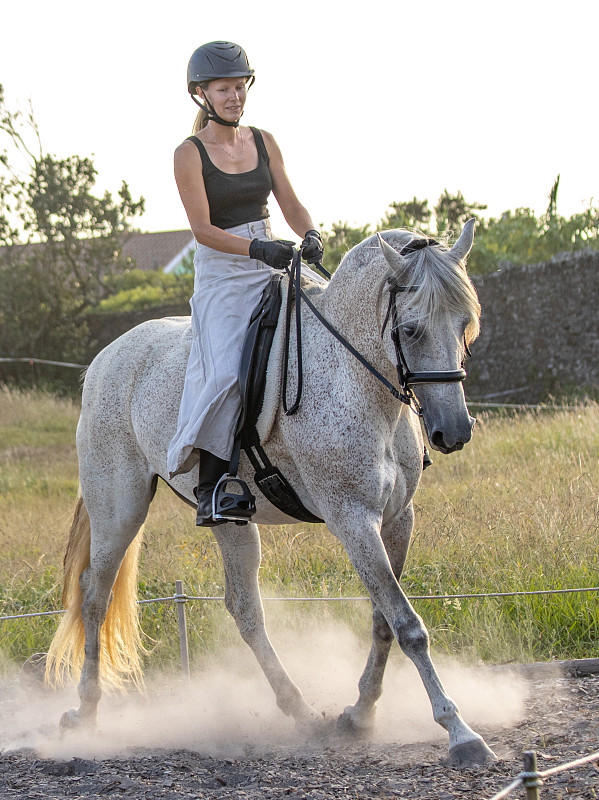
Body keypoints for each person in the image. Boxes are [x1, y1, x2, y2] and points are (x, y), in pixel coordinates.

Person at [166, 41, 324, 527]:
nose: (235, 96)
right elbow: (202, 231)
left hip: (273, 255)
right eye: (224, 89)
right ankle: (214, 487)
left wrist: (311, 232)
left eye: (240, 86)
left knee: (333, 328)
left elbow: (290, 205)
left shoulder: (264, 140)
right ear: (201, 94)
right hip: (224, 271)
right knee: (228, 373)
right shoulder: (188, 154)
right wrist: (255, 249)